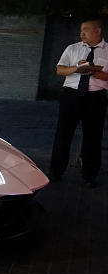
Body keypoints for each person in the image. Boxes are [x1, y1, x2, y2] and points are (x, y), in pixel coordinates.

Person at [49, 17, 108, 187]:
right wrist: (78, 69)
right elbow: (60, 70)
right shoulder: (72, 48)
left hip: (96, 98)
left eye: (86, 29)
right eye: (81, 30)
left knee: (93, 138)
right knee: (63, 135)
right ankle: (55, 171)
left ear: (98, 31)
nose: (82, 33)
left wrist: (97, 73)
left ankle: (90, 176)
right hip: (71, 96)